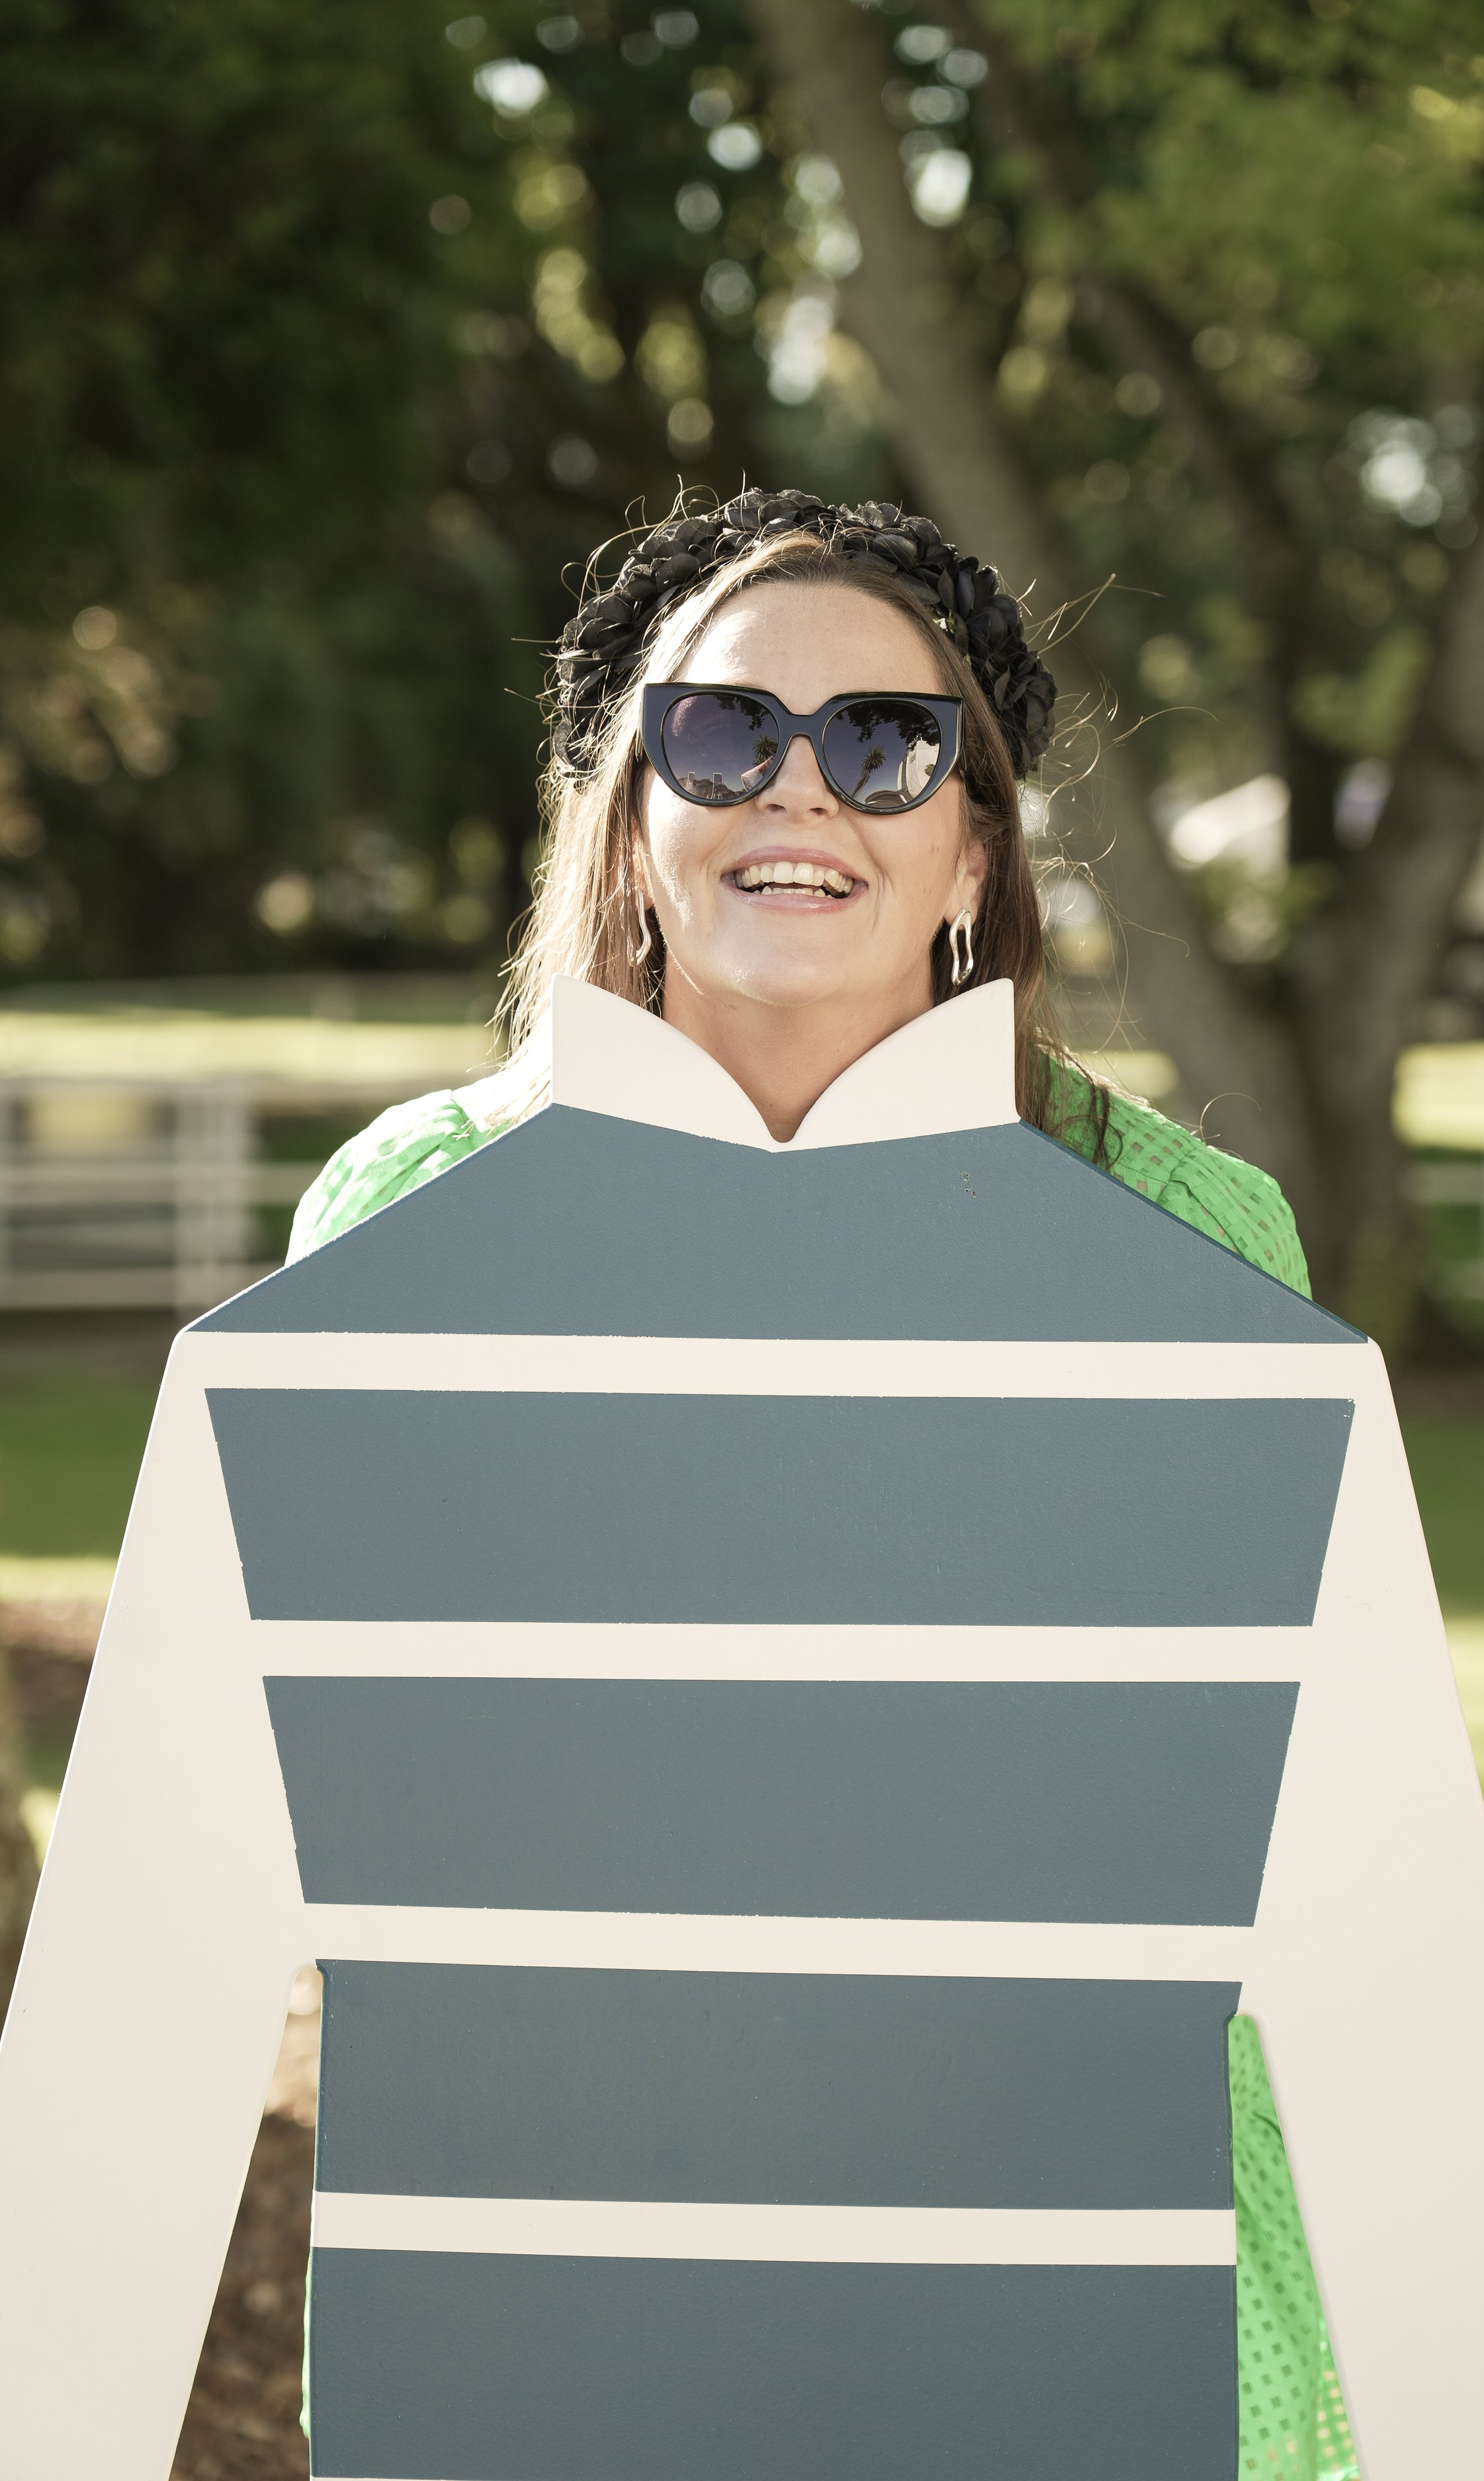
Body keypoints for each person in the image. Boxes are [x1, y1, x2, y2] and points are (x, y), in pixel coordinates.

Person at [288, 486, 1356, 2480]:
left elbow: (1299, 1812)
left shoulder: (1196, 1231)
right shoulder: (412, 1209)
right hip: (575, 2243)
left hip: (1078, 2229)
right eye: (721, 733)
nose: (802, 789)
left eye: (884, 741)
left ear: (973, 834)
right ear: (628, 812)